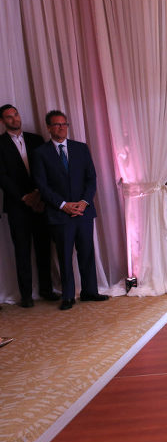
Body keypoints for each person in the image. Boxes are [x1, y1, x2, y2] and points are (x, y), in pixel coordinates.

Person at [31, 110, 108, 310]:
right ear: (49, 127)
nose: (62, 128)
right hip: (59, 214)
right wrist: (63, 205)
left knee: (87, 252)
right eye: (57, 124)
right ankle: (68, 296)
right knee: (64, 256)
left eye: (64, 124)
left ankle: (90, 291)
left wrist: (84, 202)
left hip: (83, 211)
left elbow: (91, 178)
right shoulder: (40, 153)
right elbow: (42, 185)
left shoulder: (81, 148)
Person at [0, 104, 55, 307]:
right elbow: (2, 177)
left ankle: (46, 290)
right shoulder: (0, 144)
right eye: (9, 117)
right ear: (2, 121)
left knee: (43, 247)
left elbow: (46, 168)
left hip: (40, 202)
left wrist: (38, 194)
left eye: (16, 114)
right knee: (22, 251)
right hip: (17, 205)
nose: (14, 119)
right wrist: (24, 197)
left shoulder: (36, 139)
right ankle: (26, 295)